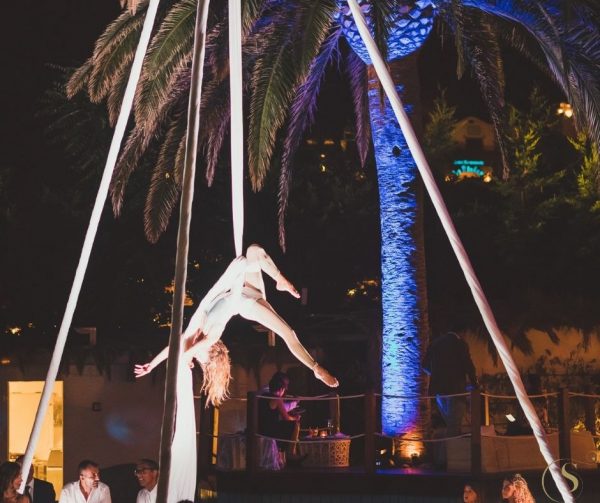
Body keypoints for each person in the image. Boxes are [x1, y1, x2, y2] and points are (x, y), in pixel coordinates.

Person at [135, 244, 338, 404]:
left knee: (254, 250)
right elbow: (188, 352)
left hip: (247, 290)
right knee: (288, 333)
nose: (196, 355)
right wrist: (186, 359)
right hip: (248, 305)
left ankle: (280, 281)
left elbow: (175, 347)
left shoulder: (195, 328)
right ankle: (315, 368)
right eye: (200, 358)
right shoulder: (212, 336)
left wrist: (151, 365)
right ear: (211, 351)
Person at [423, 331, 479, 436]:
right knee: (454, 423)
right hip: (456, 389)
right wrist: (474, 383)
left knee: (450, 422)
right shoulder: (460, 344)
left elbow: (425, 366)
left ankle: (449, 443)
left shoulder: (435, 344)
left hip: (439, 389)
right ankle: (453, 445)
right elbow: (468, 365)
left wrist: (436, 375)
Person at [258, 372, 302, 465]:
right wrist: (295, 418)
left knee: (285, 424)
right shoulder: (277, 398)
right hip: (270, 431)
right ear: (282, 389)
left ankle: (286, 455)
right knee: (295, 425)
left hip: (261, 429)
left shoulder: (263, 396)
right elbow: (286, 418)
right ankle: (291, 454)